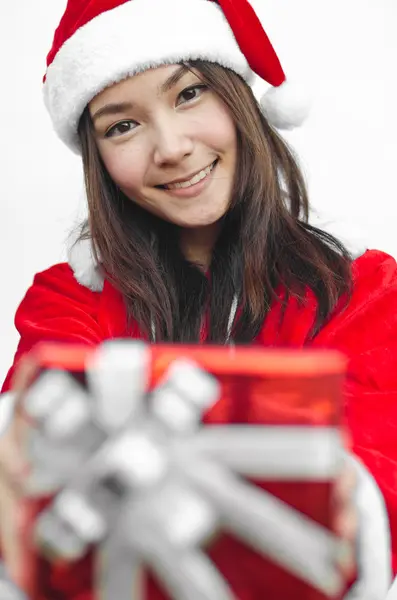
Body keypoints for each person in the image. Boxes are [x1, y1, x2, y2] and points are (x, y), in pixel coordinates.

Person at [0, 0, 394, 597]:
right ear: (98, 159)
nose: (172, 147)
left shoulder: (363, 291)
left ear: (240, 97)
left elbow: (367, 490)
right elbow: (30, 481)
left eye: (188, 94)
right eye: (122, 125)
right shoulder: (68, 300)